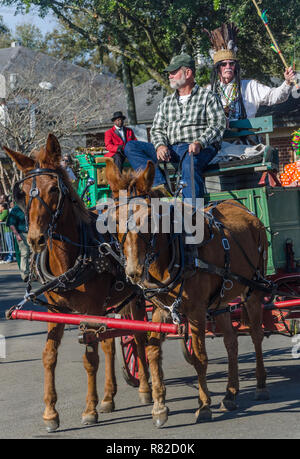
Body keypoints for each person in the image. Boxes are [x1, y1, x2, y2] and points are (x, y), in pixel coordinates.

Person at [124, 54, 226, 199]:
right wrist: (160, 146)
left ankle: (191, 211)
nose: (170, 76)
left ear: (188, 73)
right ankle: (160, 187)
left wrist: (200, 142)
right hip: (172, 150)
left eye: (174, 72)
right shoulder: (166, 102)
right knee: (131, 147)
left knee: (189, 164)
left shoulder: (207, 97)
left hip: (197, 149)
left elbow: (218, 124)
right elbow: (157, 129)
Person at [206, 23, 296, 121]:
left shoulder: (250, 86)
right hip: (219, 136)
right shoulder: (209, 91)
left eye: (231, 64)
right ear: (217, 68)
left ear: (235, 66)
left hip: (246, 135)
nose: (228, 67)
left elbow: (275, 97)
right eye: (223, 64)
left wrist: (287, 82)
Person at [6, 204, 30, 282]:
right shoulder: (16, 209)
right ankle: (25, 274)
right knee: (25, 253)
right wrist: (17, 234)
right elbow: (11, 224)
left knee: (36, 253)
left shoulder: (31, 205)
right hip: (22, 233)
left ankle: (35, 272)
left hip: (32, 233)